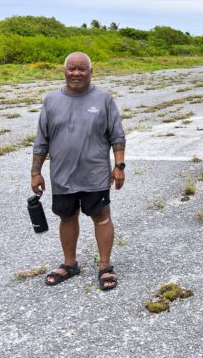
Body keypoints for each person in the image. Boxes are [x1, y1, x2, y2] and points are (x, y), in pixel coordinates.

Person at [31, 52, 126, 290]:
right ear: (64, 71)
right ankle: (70, 264)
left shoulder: (104, 99)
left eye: (82, 69)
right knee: (67, 217)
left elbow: (117, 135)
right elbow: (41, 140)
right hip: (62, 176)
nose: (76, 73)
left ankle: (105, 267)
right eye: (71, 68)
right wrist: (36, 172)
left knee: (102, 218)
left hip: (95, 175)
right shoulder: (51, 101)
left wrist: (119, 166)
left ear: (91, 72)